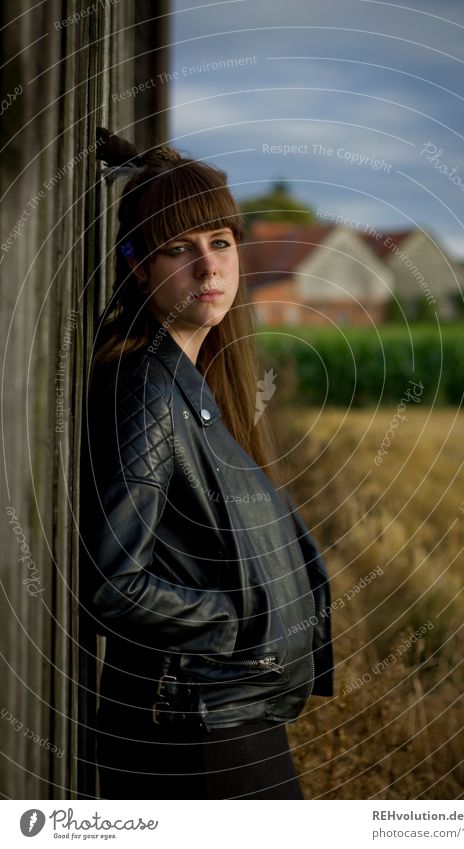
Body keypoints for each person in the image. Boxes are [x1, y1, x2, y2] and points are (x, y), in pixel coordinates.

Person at [80, 128, 334, 800]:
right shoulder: (147, 389)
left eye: (220, 242)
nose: (208, 268)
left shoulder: (194, 385)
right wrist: (238, 618)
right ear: (139, 267)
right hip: (193, 720)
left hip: (222, 708)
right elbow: (114, 580)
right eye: (178, 249)